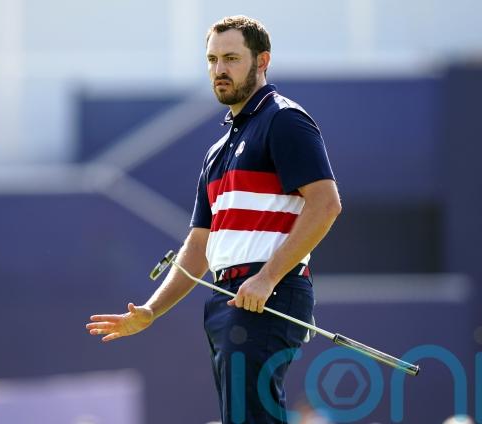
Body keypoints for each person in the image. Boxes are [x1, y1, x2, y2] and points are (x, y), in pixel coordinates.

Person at [86, 15, 342, 423]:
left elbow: (326, 205)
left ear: (262, 61)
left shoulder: (284, 120)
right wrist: (151, 311)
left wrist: (268, 278)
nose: (220, 69)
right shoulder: (218, 150)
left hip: (267, 293)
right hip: (228, 297)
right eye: (212, 60)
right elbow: (199, 243)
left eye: (231, 58)